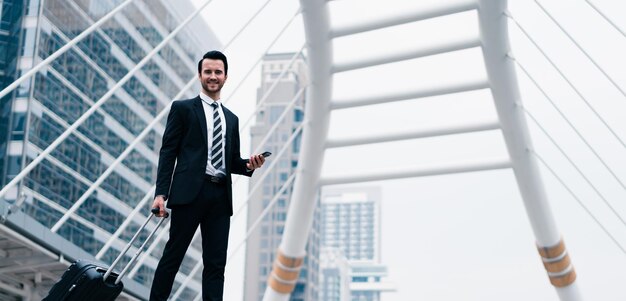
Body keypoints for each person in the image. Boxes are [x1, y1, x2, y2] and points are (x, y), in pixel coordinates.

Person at [149, 50, 265, 300]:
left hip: (220, 196)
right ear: (200, 75)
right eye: (208, 72)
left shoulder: (231, 119)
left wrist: (250, 165)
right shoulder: (182, 109)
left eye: (218, 72)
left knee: (216, 266)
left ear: (225, 77)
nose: (213, 76)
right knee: (173, 257)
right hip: (190, 192)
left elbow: (232, 161)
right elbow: (168, 151)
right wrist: (161, 193)